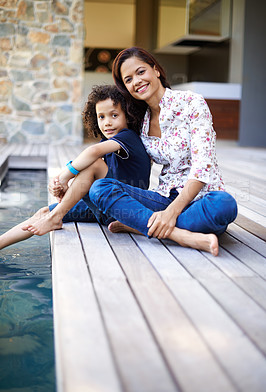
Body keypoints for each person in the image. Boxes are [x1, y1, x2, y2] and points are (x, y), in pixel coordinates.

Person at [85, 47, 238, 256]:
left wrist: (171, 213)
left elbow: (204, 166)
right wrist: (58, 209)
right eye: (128, 79)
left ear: (155, 70)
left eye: (140, 72)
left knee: (225, 204)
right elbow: (126, 168)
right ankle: (180, 235)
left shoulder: (191, 102)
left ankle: (141, 224)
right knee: (99, 188)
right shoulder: (139, 120)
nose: (136, 81)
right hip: (163, 198)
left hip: (202, 199)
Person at [0, 85, 151, 249]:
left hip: (124, 206)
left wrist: (64, 176)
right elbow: (87, 168)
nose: (107, 122)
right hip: (105, 207)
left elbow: (92, 153)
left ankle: (55, 218)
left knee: (92, 163)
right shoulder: (108, 143)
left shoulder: (129, 137)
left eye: (114, 115)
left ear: (128, 116)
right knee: (44, 212)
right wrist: (64, 188)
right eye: (101, 117)